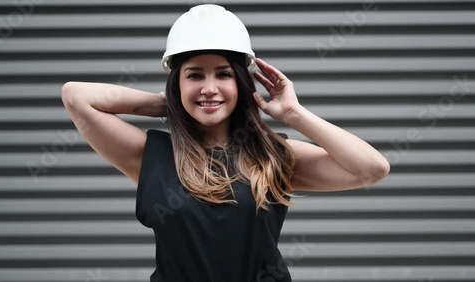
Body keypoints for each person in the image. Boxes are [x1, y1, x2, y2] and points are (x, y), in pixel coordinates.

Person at [61, 4, 390, 282]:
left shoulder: (273, 156)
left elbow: (372, 169)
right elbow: (76, 96)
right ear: (177, 82)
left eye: (222, 74)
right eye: (194, 75)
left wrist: (293, 113)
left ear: (241, 81)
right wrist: (169, 104)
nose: (208, 87)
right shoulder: (152, 156)